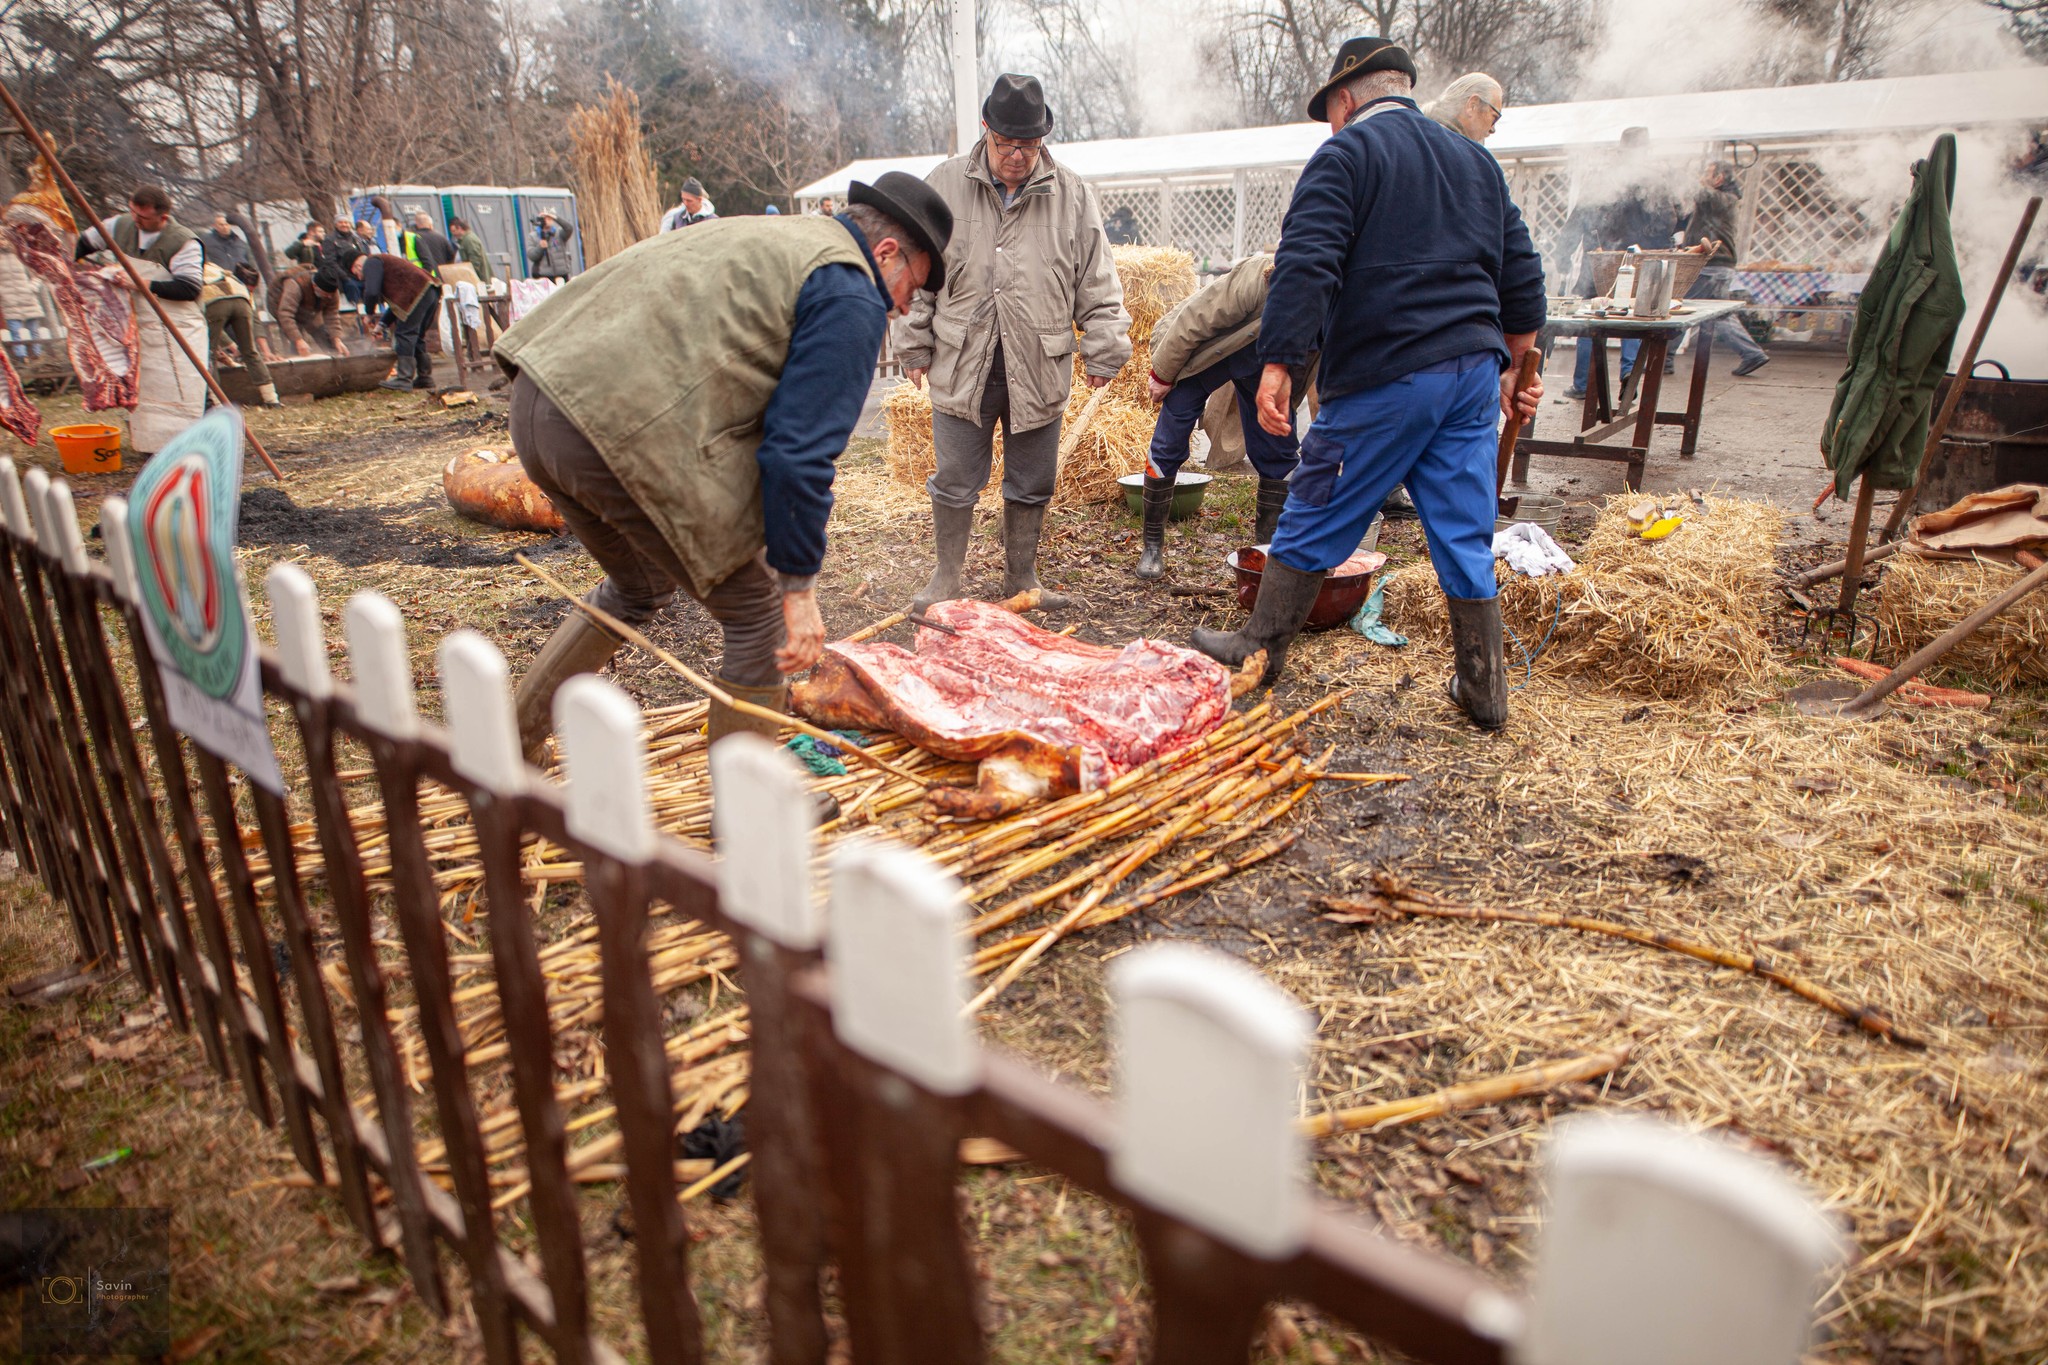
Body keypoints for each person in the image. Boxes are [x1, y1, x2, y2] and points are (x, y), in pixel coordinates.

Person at [493, 173, 952, 759]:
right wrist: (798, 587)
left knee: (639, 585)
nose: (908, 305)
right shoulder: (849, 291)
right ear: (886, 252)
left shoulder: (775, 239)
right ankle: (747, 811)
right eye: (913, 284)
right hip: (611, 430)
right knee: (761, 622)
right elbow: (798, 452)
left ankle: (510, 750)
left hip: (539, 402)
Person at [1190, 36, 1545, 731]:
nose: (1330, 124)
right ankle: (1484, 689)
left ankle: (1258, 650)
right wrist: (1515, 371)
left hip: (1390, 372)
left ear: (1346, 101)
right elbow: (1522, 278)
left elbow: (1307, 262)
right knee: (1464, 532)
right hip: (1473, 376)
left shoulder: (1347, 154)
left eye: (1330, 111)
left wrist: (1279, 364)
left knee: (1317, 504)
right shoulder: (1475, 162)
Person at [898, 73, 1132, 613]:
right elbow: (918, 271)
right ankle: (946, 578)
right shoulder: (945, 184)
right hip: (962, 361)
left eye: (1029, 145)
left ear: (1042, 140)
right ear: (987, 131)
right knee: (955, 480)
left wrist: (1104, 343)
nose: (1018, 156)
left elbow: (1096, 278)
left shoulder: (1071, 194)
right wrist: (913, 344)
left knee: (1031, 482)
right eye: (1008, 144)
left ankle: (1021, 579)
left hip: (1038, 362)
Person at [1135, 251, 1300, 579]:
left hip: (1262, 361)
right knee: (1170, 441)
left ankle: (1266, 551)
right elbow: (1191, 321)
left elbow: (1308, 362)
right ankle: (1151, 547)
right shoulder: (1256, 280)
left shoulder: (1325, 302)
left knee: (1277, 447)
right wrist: (1162, 375)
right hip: (1201, 354)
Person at [73, 185, 210, 454]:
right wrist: (83, 271)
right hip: (137, 326)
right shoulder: (118, 225)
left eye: (143, 217)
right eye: (133, 212)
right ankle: (151, 447)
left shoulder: (184, 242)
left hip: (177, 326)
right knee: (144, 391)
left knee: (182, 390)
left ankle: (188, 446)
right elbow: (82, 244)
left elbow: (189, 288)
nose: (136, 220)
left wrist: (142, 283)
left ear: (163, 215)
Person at [1552, 129, 1674, 399]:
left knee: (1592, 317)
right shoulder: (1654, 180)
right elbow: (1668, 222)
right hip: (1636, 258)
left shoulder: (1603, 177)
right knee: (1631, 313)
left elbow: (1577, 218)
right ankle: (1629, 372)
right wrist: (1649, 242)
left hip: (1599, 257)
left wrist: (1563, 255)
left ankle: (1583, 384)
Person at [1678, 160, 1771, 378]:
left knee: (1685, 307)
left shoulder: (1724, 200)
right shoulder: (1718, 201)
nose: (1704, 177)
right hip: (1713, 265)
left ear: (1719, 179)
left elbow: (1701, 193)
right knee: (1707, 313)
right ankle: (1667, 359)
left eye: (1708, 173)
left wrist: (1684, 177)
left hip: (1713, 265)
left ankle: (1751, 353)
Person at [352, 250, 440, 391]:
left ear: (356, 266)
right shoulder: (385, 264)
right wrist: (381, 325)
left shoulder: (371, 262)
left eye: (357, 275)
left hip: (417, 292)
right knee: (416, 336)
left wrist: (369, 313)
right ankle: (425, 378)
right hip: (430, 290)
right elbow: (398, 306)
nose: (360, 278)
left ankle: (404, 379)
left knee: (404, 334)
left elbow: (372, 292)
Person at [201, 263, 280, 405]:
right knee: (250, 352)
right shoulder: (218, 267)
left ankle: (216, 402)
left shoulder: (192, 267)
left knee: (209, 354)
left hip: (213, 299)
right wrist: (233, 346)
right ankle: (272, 399)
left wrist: (224, 345)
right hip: (241, 300)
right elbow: (253, 318)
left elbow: (205, 321)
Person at [270, 264, 350, 355]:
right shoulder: (295, 285)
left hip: (311, 308)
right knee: (297, 343)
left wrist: (337, 339)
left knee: (324, 336)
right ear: (315, 286)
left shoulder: (332, 292)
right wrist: (298, 340)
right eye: (325, 294)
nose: (329, 297)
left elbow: (332, 316)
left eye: (330, 295)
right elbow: (285, 314)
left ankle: (334, 357)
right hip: (281, 305)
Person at [1426, 73, 1505, 144]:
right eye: (1494, 117)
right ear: (1473, 105)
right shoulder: (1451, 149)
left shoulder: (1426, 135)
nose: (1492, 130)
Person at [0, 240, 44, 362]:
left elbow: (38, 273)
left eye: (4, 239)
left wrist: (32, 288)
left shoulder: (21, 255)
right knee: (15, 332)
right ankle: (22, 356)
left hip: (28, 298)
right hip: (9, 300)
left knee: (34, 330)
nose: (2, 242)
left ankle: (37, 354)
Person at [201, 212, 258, 284]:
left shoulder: (240, 243)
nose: (225, 227)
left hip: (240, 283)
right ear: (214, 226)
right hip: (219, 283)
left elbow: (248, 262)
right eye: (221, 225)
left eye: (226, 224)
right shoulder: (206, 242)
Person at [528, 211, 576, 280]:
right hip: (543, 275)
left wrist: (555, 217)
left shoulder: (559, 233)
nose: (549, 220)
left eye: (550, 218)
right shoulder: (533, 236)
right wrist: (540, 247)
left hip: (562, 274)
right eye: (546, 218)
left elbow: (569, 228)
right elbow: (531, 256)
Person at [449, 218, 494, 286]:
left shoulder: (469, 240)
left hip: (479, 281)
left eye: (454, 231)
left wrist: (470, 277)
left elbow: (475, 262)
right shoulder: (465, 240)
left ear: (460, 228)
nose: (453, 234)